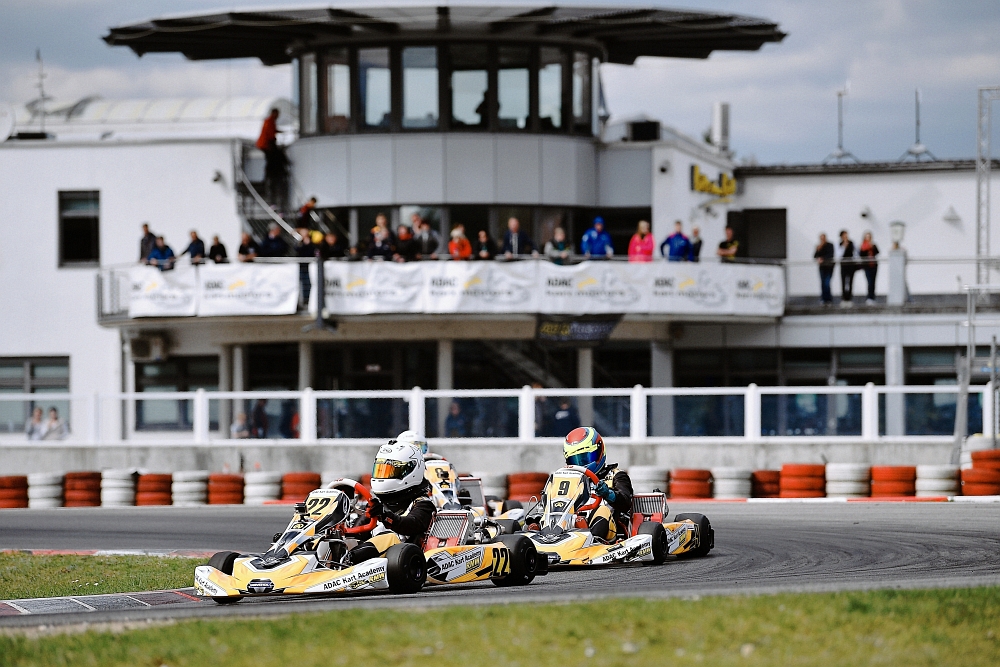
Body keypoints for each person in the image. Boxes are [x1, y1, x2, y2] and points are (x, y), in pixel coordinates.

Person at [344, 440, 437, 565]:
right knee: (341, 538)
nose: (383, 476)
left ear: (411, 471)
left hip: (403, 561)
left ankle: (347, 561)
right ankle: (326, 561)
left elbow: (411, 524)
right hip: (372, 561)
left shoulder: (424, 504)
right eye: (380, 470)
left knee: (389, 537)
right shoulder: (379, 503)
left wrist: (385, 516)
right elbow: (359, 532)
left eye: (391, 471)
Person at [561, 427, 633, 542]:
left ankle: (592, 541)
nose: (581, 465)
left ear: (599, 451)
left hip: (607, 531)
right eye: (575, 460)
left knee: (602, 510)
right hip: (572, 524)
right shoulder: (570, 480)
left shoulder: (617, 475)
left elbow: (626, 502)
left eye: (584, 459)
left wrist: (608, 494)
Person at [295, 227, 315, 307]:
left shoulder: (312, 242)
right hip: (302, 265)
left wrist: (308, 244)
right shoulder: (299, 243)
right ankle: (303, 300)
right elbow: (297, 250)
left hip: (310, 266)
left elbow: (312, 251)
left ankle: (309, 299)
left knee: (309, 283)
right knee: (302, 283)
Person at [814, 232, 835, 306]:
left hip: (829, 267)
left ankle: (828, 299)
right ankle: (823, 299)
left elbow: (831, 255)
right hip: (822, 267)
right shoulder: (819, 246)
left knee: (827, 283)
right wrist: (818, 250)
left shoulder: (830, 245)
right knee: (823, 283)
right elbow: (815, 256)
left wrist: (823, 258)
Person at [838, 229, 857, 307]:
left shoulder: (851, 243)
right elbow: (839, 255)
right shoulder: (840, 244)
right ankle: (844, 298)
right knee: (843, 281)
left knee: (850, 282)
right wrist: (844, 247)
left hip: (851, 265)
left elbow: (855, 252)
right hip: (843, 265)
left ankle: (849, 298)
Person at [859, 231, 880, 305]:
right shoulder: (862, 246)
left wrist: (872, 247)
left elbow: (877, 252)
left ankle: (873, 297)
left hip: (873, 266)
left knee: (873, 282)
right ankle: (869, 297)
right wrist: (866, 249)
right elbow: (861, 254)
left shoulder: (873, 245)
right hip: (867, 266)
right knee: (869, 281)